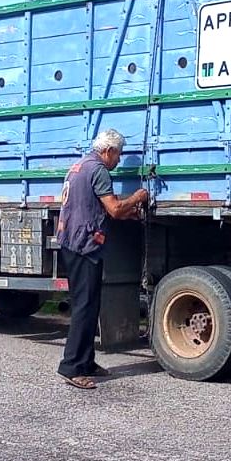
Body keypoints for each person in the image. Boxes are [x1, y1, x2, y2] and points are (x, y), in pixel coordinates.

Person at [55, 128, 150, 390]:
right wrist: (138, 198)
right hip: (84, 245)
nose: (118, 161)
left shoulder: (80, 166)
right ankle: (71, 366)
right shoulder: (99, 170)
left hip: (71, 240)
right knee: (85, 307)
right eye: (118, 155)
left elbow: (92, 204)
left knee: (89, 304)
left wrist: (125, 212)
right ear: (108, 151)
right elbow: (115, 209)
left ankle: (86, 361)